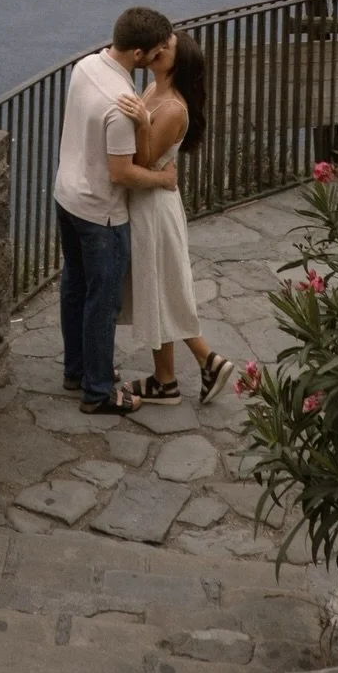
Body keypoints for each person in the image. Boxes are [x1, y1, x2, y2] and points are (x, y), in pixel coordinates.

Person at [54, 6, 179, 416]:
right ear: (141, 54)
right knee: (101, 300)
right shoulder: (122, 105)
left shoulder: (86, 66)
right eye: (158, 50)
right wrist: (162, 180)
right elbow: (122, 172)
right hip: (100, 213)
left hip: (66, 194)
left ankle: (77, 370)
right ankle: (98, 391)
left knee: (74, 286)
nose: (162, 55)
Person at [117, 31, 234, 404]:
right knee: (158, 288)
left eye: (167, 48)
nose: (159, 48)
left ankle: (206, 360)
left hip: (155, 209)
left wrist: (139, 122)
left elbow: (142, 160)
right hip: (149, 202)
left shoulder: (171, 109)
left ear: (177, 63)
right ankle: (165, 380)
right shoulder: (155, 92)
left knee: (162, 289)